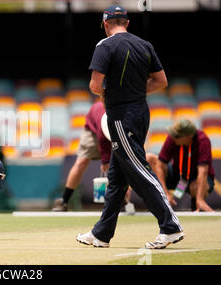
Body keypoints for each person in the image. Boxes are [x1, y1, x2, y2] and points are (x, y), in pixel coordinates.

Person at [76, 5, 184, 249]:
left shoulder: (104, 46)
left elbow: (95, 85)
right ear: (127, 22)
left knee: (138, 169)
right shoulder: (145, 45)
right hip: (140, 113)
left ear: (105, 24)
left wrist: (112, 95)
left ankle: (170, 226)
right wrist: (133, 92)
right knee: (117, 177)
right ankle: (101, 234)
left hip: (121, 116)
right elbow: (161, 81)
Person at [52, 100, 135, 214]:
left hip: (117, 133)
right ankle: (64, 201)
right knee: (81, 162)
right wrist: (105, 161)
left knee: (121, 166)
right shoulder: (102, 120)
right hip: (92, 131)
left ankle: (123, 201)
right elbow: (102, 140)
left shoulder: (126, 118)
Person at [147, 119, 215, 212]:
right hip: (178, 175)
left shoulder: (202, 140)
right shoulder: (172, 138)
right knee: (149, 158)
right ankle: (159, 203)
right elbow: (159, 165)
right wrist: (165, 192)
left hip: (196, 177)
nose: (173, 137)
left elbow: (202, 172)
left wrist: (200, 199)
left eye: (176, 136)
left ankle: (198, 206)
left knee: (195, 187)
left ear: (188, 137)